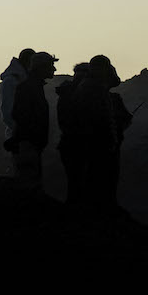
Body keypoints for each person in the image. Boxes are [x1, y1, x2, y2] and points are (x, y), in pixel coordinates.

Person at [74, 54, 130, 215]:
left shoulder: (91, 86)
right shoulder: (94, 88)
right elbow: (101, 118)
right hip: (98, 143)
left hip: (95, 141)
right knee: (100, 179)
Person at [10, 51, 57, 185]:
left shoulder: (32, 86)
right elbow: (20, 115)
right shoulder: (29, 88)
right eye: (50, 65)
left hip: (30, 145)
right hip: (28, 146)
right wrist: (31, 137)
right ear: (41, 67)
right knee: (29, 184)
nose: (54, 69)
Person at [55, 62, 90, 205]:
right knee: (81, 182)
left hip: (68, 143)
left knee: (74, 182)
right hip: (80, 144)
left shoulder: (65, 93)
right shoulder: (83, 94)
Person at [0, 48, 36, 154]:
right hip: (19, 138)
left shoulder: (24, 80)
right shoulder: (10, 82)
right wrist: (20, 131)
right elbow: (7, 111)